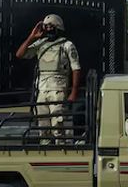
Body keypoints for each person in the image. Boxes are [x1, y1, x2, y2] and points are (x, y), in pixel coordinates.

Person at [16, 14, 81, 142]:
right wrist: (31, 37)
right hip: (42, 89)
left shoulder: (67, 45)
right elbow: (20, 54)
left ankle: (60, 148)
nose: (48, 29)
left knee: (58, 124)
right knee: (43, 124)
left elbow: (76, 68)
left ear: (58, 27)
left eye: (51, 26)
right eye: (46, 27)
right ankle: (45, 148)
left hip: (58, 89)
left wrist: (74, 92)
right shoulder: (41, 44)